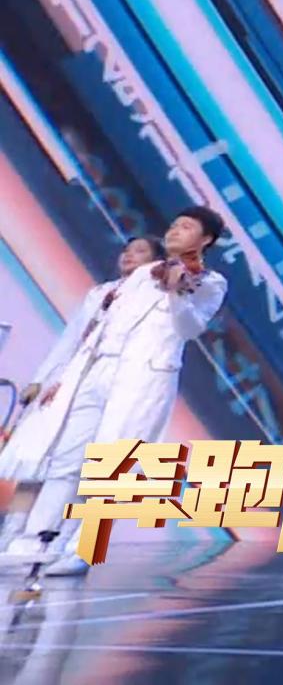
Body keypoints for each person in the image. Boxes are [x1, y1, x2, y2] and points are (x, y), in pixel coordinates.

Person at [15, 209, 228, 577]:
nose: (175, 230)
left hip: (145, 376)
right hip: (100, 369)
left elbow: (190, 329)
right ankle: (35, 542)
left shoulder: (210, 282)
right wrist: (73, 372)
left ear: (205, 239)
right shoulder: (146, 272)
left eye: (186, 227)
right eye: (174, 225)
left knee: (114, 462)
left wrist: (177, 294)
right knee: (68, 456)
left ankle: (84, 548)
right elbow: (108, 322)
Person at [0, 236, 164, 560]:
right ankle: (12, 533)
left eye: (140, 251)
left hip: (113, 388)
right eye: (127, 249)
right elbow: (72, 338)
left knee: (81, 466)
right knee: (38, 458)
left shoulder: (155, 300)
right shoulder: (101, 294)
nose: (129, 255)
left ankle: (56, 540)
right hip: (70, 381)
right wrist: (42, 379)